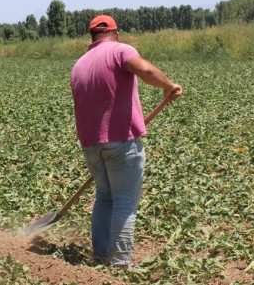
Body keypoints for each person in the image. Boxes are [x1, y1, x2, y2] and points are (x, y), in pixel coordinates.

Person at [70, 15, 183, 269]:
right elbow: (145, 70)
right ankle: (120, 263)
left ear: (92, 37)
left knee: (104, 197)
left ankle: (100, 256)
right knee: (124, 201)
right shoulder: (120, 50)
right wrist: (168, 85)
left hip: (91, 145)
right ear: (116, 34)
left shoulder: (79, 64)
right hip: (121, 141)